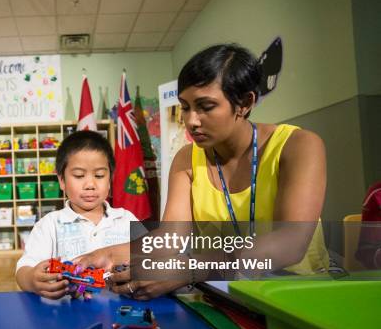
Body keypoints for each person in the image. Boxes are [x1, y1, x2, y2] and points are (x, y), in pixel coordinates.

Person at [77, 43, 329, 300]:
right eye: (185, 107)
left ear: (244, 102)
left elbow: (290, 243)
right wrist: (104, 255)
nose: (191, 121)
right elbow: (171, 238)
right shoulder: (187, 158)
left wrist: (189, 268)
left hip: (298, 295)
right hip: (226, 298)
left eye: (205, 107)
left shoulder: (299, 146)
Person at [15, 130, 138, 299]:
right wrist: (32, 280)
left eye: (100, 175)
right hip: (67, 312)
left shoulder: (126, 219)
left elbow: (152, 257)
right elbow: (24, 269)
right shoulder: (50, 224)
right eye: (79, 175)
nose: (90, 184)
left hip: (120, 308)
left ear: (110, 179)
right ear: (62, 181)